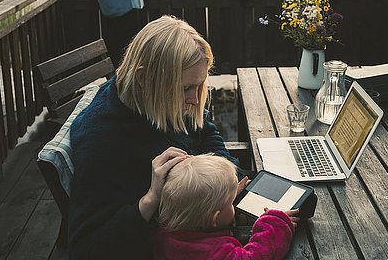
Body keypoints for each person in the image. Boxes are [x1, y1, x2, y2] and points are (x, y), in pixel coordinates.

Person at [68, 15, 241, 259]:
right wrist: (150, 200)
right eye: (185, 88)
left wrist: (226, 178)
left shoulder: (154, 99)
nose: (193, 99)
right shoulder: (102, 143)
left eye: (198, 86)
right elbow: (86, 248)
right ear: (143, 79)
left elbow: (205, 132)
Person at [155, 154, 298, 260]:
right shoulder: (216, 252)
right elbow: (257, 256)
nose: (233, 203)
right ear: (215, 218)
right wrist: (274, 224)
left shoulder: (169, 231)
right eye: (231, 202)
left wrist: (228, 212)